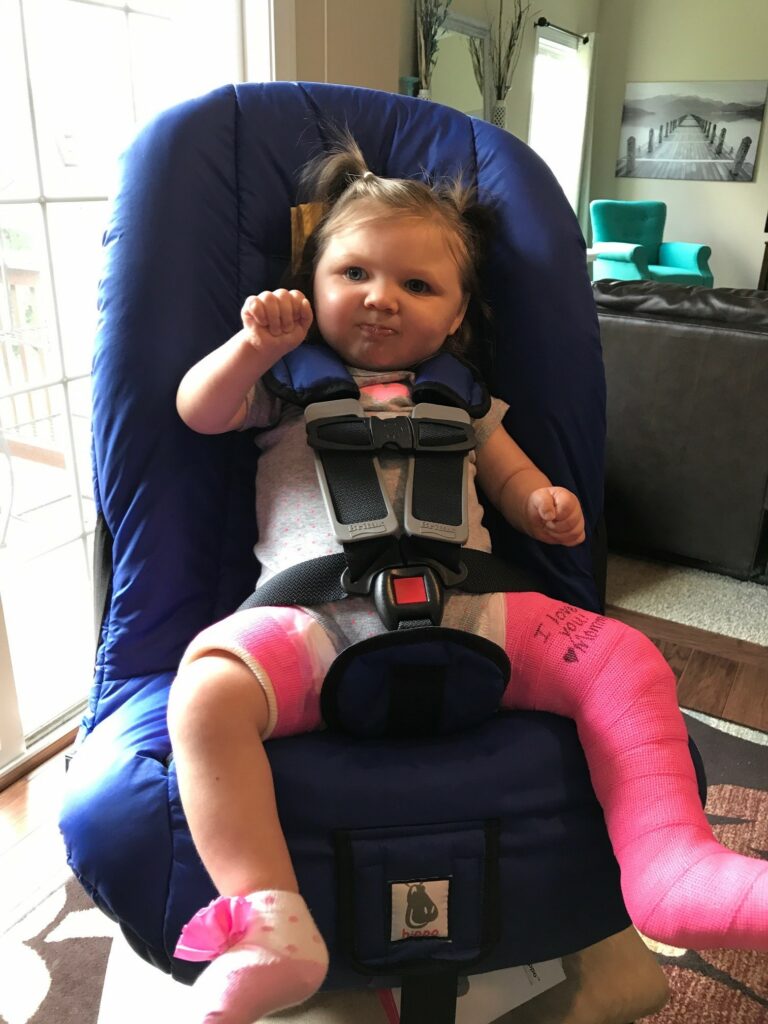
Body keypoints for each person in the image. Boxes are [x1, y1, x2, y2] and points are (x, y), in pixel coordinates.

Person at [169, 141, 767, 1024]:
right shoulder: (281, 389)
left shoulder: (465, 405)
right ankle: (269, 924)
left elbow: (515, 481)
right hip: (314, 619)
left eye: (418, 287)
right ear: (313, 281)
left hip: (481, 607)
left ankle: (675, 868)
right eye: (355, 272)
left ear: (454, 320)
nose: (381, 298)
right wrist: (253, 347)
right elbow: (198, 409)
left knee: (626, 657)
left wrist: (545, 505)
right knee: (206, 694)